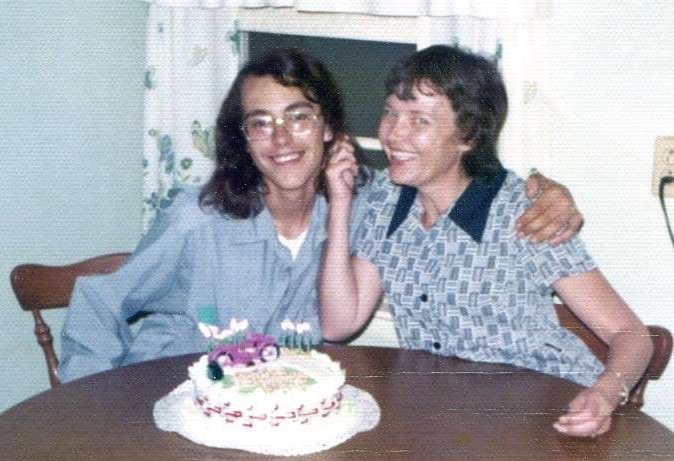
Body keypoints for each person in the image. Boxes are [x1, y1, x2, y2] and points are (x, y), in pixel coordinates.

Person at [58, 48, 581, 383]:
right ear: (244, 138)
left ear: (329, 127)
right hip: (175, 399)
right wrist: (89, 410)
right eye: (261, 123)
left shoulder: (369, 205)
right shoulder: (196, 220)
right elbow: (100, 303)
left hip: (276, 409)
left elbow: (450, 173)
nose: (281, 139)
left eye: (299, 117)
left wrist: (542, 190)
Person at [319, 45, 653, 438]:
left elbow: (631, 335)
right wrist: (340, 204)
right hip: (448, 420)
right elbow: (339, 323)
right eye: (390, 112)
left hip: (546, 415)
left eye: (419, 120)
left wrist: (605, 393)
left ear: (468, 136)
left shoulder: (525, 212)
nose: (393, 133)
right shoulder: (388, 202)